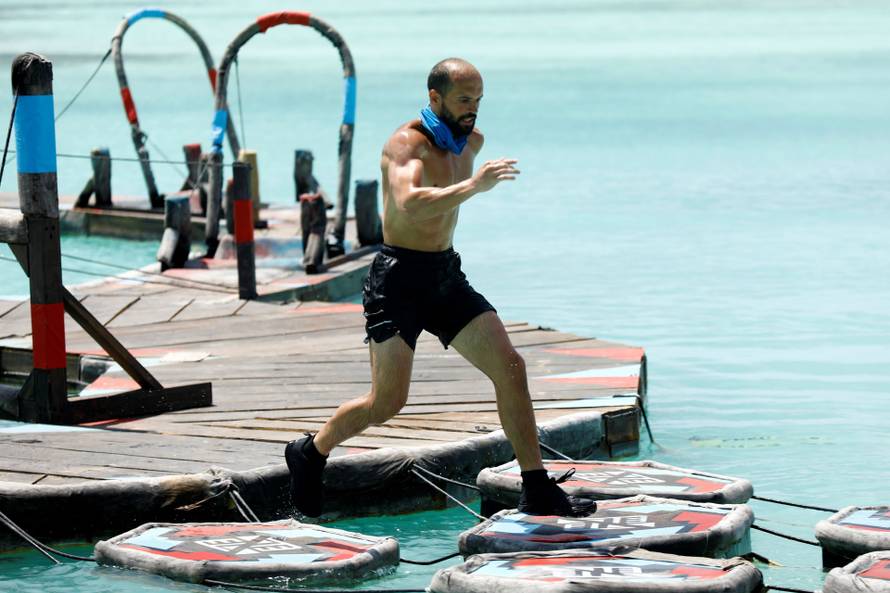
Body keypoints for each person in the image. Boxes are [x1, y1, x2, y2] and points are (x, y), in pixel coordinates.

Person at [285, 58, 594, 518]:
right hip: (398, 281)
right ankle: (310, 453)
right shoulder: (405, 145)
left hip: (444, 277)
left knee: (511, 366)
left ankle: (537, 487)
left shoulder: (472, 143)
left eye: (478, 101)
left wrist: (472, 181)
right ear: (435, 98)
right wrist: (474, 185)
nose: (473, 111)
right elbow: (409, 203)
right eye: (464, 100)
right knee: (387, 402)